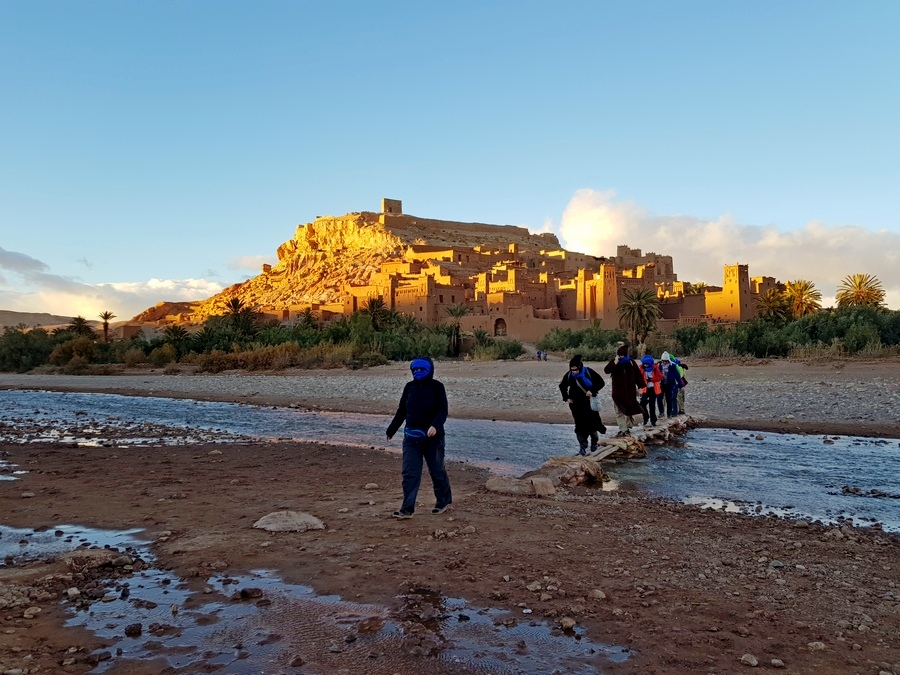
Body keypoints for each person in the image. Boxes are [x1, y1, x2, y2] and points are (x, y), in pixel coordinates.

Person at [386, 357, 452, 519]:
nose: (418, 372)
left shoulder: (437, 387)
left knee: (436, 470)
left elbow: (443, 410)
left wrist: (435, 426)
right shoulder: (409, 387)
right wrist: (391, 429)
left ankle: (443, 501)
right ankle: (407, 509)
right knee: (409, 473)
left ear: (430, 370)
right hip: (411, 438)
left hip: (433, 438)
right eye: (415, 369)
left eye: (422, 369)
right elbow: (402, 410)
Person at [558, 355, 606, 455]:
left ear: (580, 367)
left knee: (592, 423)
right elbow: (562, 386)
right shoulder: (569, 375)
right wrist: (566, 398)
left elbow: (601, 382)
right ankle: (582, 446)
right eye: (572, 370)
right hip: (575, 404)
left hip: (589, 403)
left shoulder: (589, 372)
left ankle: (594, 443)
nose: (574, 372)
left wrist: (592, 390)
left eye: (576, 370)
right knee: (579, 426)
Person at [604, 345, 646, 436]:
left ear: (626, 355)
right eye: (619, 355)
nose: (621, 357)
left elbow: (638, 375)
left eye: (622, 355)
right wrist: (615, 363)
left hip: (630, 392)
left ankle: (628, 427)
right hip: (617, 393)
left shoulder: (631, 362)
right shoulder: (614, 362)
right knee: (618, 411)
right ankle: (623, 429)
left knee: (629, 411)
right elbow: (606, 370)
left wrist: (640, 388)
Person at [639, 355, 662, 426]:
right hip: (645, 389)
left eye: (646, 364)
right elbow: (638, 377)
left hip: (653, 389)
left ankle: (653, 421)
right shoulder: (641, 368)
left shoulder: (655, 368)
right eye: (644, 364)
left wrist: (651, 379)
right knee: (642, 404)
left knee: (652, 406)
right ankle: (646, 417)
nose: (645, 365)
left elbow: (659, 377)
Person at [658, 351, 681, 417]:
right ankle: (661, 412)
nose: (664, 362)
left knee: (669, 399)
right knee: (659, 398)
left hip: (669, 384)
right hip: (661, 384)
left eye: (666, 361)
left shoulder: (672, 366)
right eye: (663, 361)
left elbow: (677, 376)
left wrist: (680, 384)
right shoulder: (659, 366)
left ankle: (669, 413)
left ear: (668, 360)